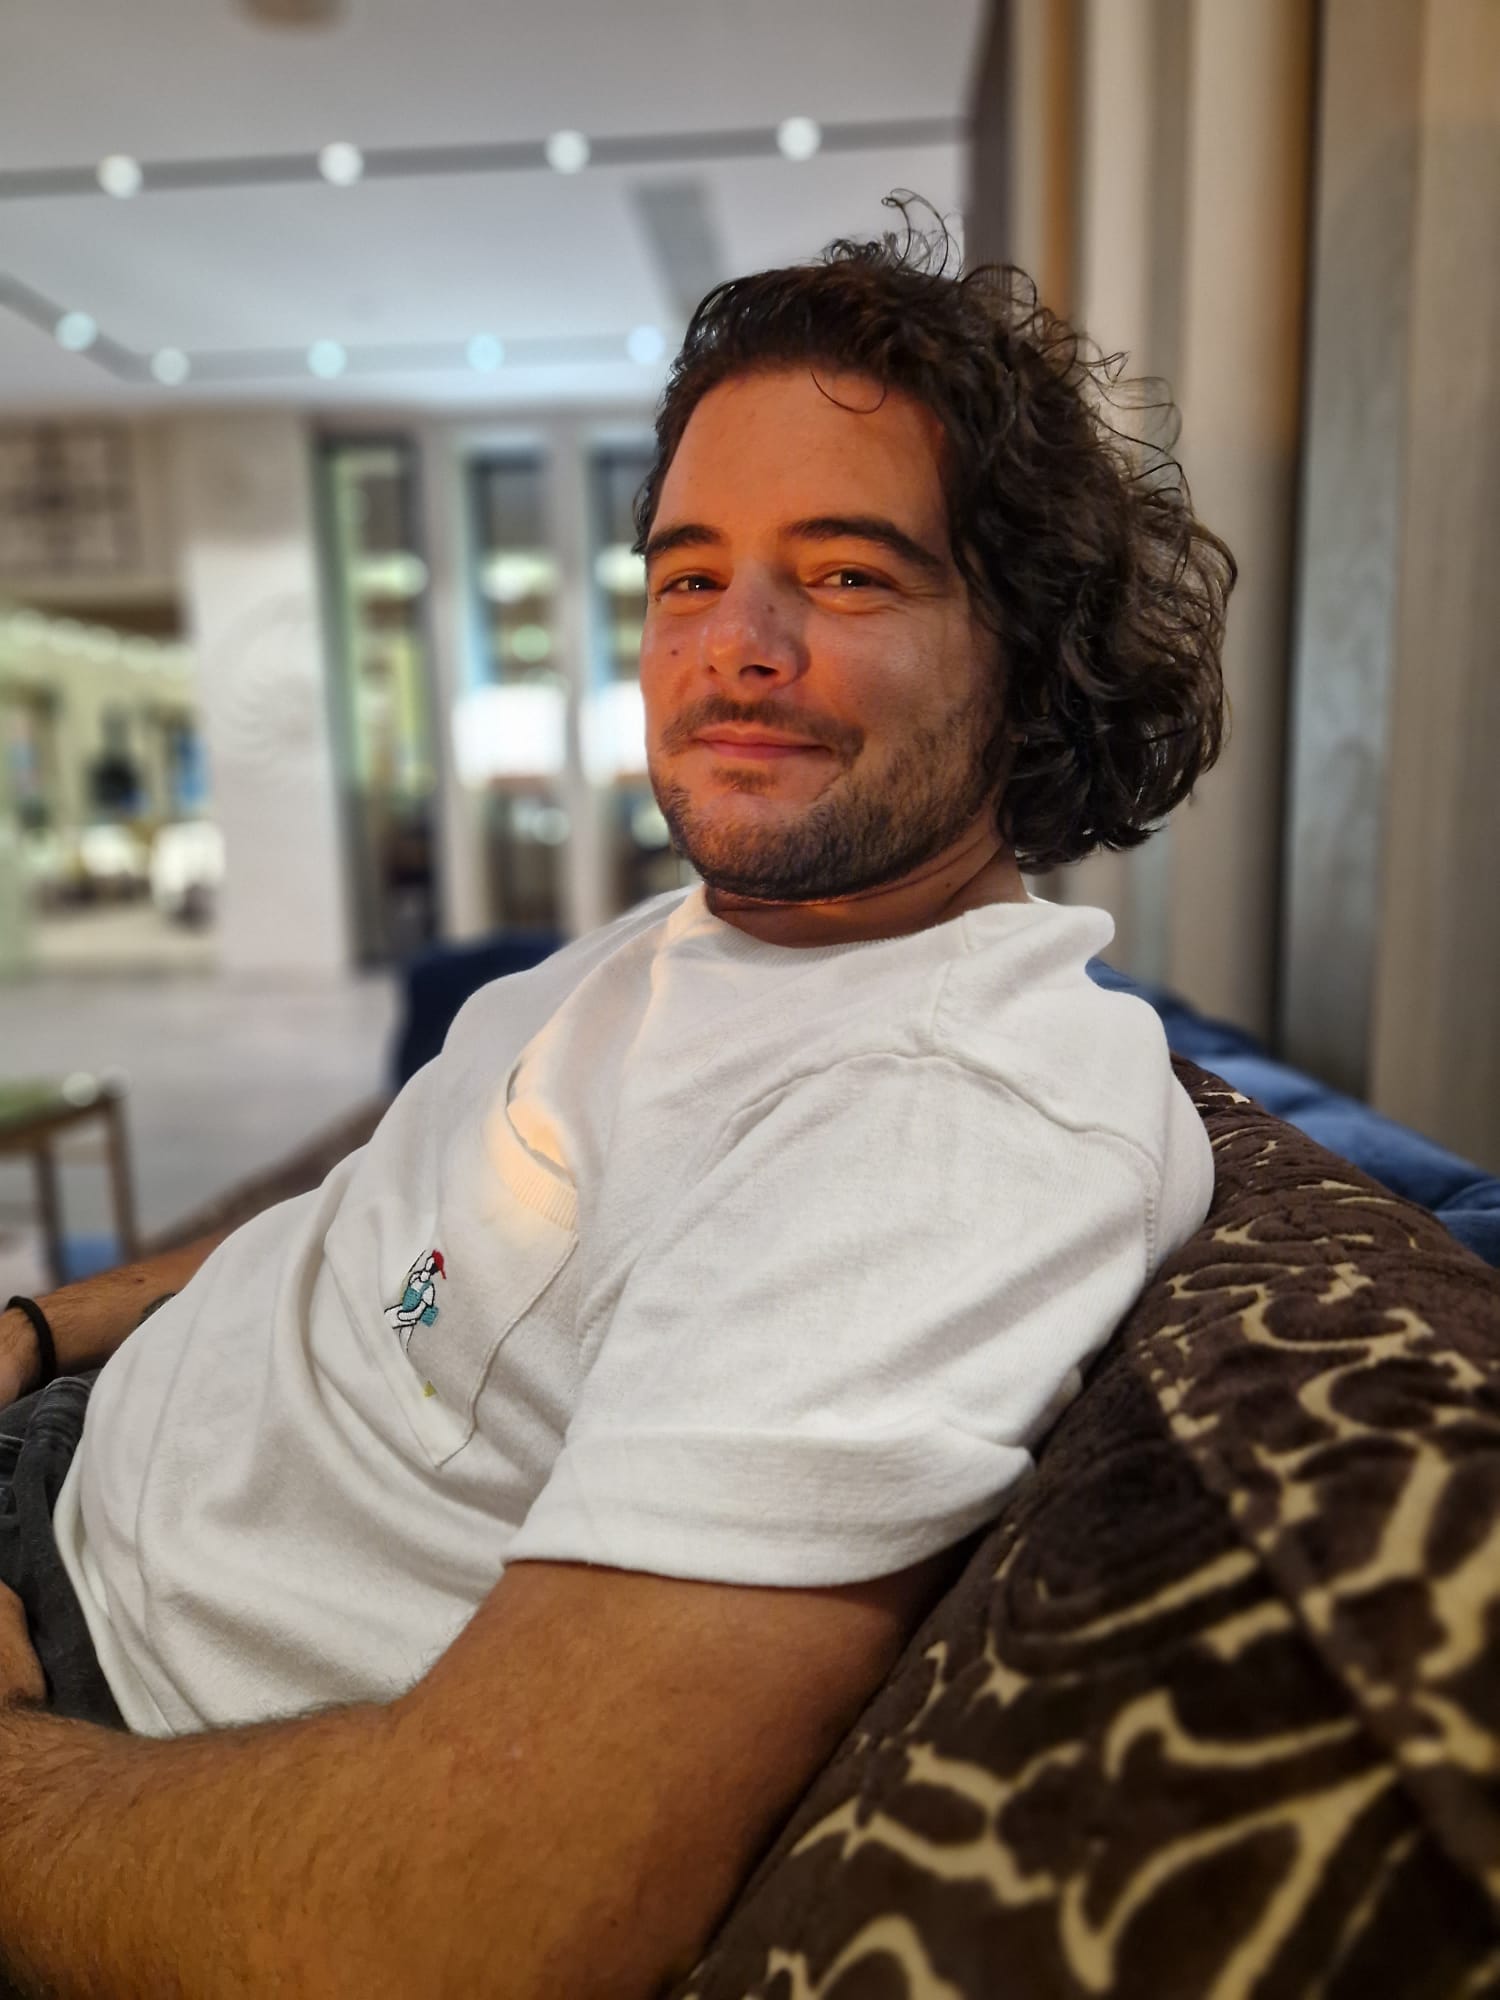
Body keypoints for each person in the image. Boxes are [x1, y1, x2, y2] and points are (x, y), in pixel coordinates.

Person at [0, 207, 1235, 1998]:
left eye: (847, 576)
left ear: (1029, 653)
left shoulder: (949, 1121)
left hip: (108, 1725)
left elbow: (459, 1922)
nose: (734, 646)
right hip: (69, 1446)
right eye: (687, 575)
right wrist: (41, 1331)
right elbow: (356, 1228)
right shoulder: (677, 943)